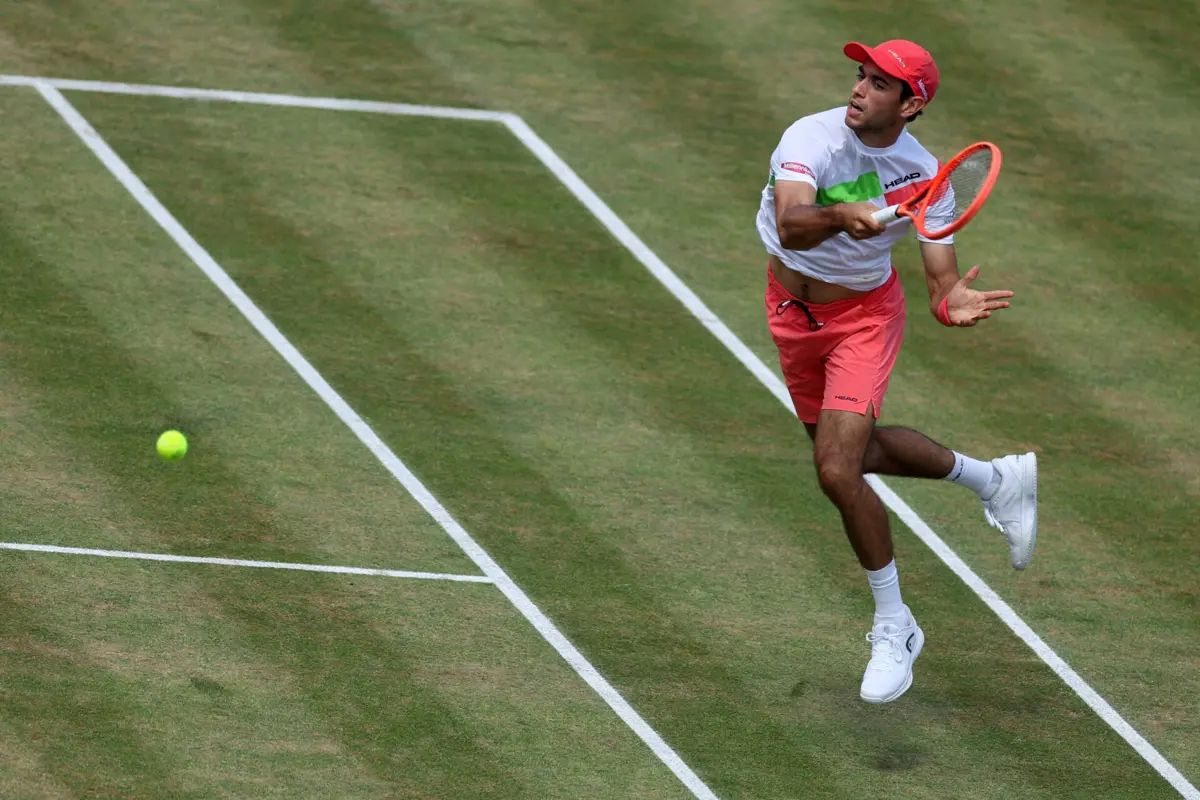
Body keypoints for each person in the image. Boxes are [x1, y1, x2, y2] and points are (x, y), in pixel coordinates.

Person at [756, 39, 1038, 704]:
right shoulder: (811, 137)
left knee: (836, 469)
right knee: (856, 453)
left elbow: (940, 277)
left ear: (911, 106)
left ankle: (895, 624)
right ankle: (995, 479)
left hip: (864, 319)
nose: (859, 89)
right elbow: (792, 225)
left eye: (880, 84)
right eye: (861, 76)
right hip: (791, 312)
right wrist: (839, 215)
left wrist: (950, 300)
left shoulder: (927, 178)